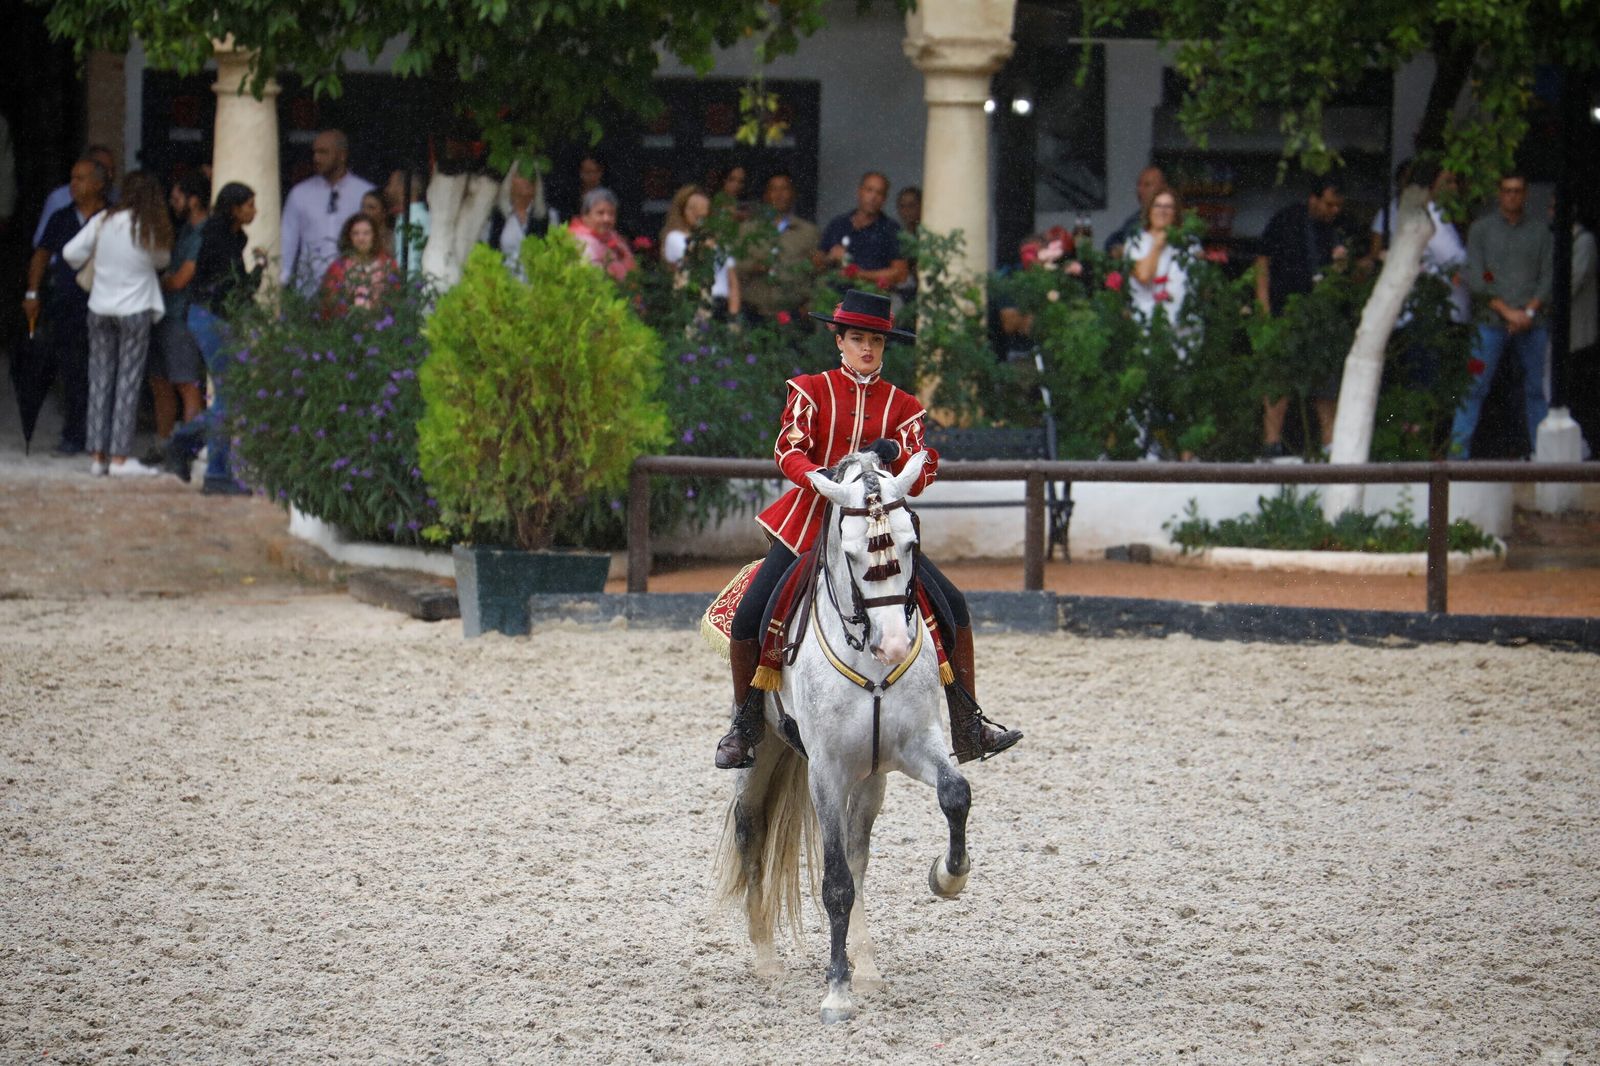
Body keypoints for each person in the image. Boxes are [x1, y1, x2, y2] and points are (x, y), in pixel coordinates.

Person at [713, 288, 1022, 770]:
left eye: (875, 342)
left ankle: (967, 721)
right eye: (857, 339)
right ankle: (744, 724)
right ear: (839, 341)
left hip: (880, 530)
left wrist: (905, 460)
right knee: (752, 614)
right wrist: (817, 477)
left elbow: (923, 474)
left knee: (954, 606)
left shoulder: (904, 405)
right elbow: (788, 450)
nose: (866, 349)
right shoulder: (810, 389)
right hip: (811, 522)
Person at [61, 170, 173, 477]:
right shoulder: (146, 225)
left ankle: (97, 457)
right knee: (127, 382)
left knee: (99, 379)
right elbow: (162, 261)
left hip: (99, 307)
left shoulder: (103, 220)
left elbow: (70, 253)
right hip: (135, 309)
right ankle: (120, 457)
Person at [167, 182, 267, 493]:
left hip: (218, 317)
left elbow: (240, 288)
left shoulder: (235, 238)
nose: (254, 211)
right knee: (229, 395)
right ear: (234, 208)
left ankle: (194, 451)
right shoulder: (216, 237)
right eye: (249, 205)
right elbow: (232, 287)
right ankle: (209, 466)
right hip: (211, 318)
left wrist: (259, 269)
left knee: (231, 395)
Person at [1448, 174, 1554, 458]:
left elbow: (1547, 277)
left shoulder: (1540, 233)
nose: (1512, 196)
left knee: (1536, 391)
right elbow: (1478, 275)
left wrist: (1528, 311)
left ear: (1526, 193)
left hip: (1532, 322)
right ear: (1499, 194)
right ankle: (1457, 460)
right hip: (1490, 321)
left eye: (1518, 191)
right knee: (1473, 388)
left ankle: (1544, 460)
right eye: (1507, 191)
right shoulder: (1482, 231)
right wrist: (1508, 311)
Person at [1256, 178, 1349, 457]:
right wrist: (1263, 308)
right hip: (1285, 315)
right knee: (1277, 385)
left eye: (1338, 206)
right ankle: (1271, 445)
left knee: (1326, 390)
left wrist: (1343, 266)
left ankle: (1329, 449)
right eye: (1329, 204)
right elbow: (1262, 261)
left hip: (1323, 319)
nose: (1334, 210)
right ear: (1313, 198)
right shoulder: (1286, 220)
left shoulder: (1341, 228)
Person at [24, 155, 109, 456]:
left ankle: (102, 436)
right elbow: (41, 255)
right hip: (69, 305)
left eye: (81, 178)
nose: (73, 184)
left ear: (99, 183)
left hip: (106, 304)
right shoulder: (61, 217)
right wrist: (33, 293)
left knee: (104, 372)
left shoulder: (112, 216)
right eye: (72, 178)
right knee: (72, 372)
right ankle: (74, 435)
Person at [149, 172, 210, 457]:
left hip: (183, 316)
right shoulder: (185, 229)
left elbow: (182, 278)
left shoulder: (204, 233)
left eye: (176, 198)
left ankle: (189, 448)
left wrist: (153, 282)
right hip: (166, 314)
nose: (172, 204)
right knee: (160, 381)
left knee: (186, 383)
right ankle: (164, 444)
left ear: (193, 200)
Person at [279, 129, 373, 291]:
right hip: (309, 289)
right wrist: (282, 281)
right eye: (314, 152)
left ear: (342, 155)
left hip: (354, 287)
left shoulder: (365, 193)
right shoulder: (300, 194)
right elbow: (287, 240)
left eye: (323, 152)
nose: (316, 158)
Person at [736, 170, 820, 322]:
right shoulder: (747, 230)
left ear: (793, 194)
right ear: (766, 195)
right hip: (753, 313)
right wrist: (753, 267)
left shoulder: (808, 232)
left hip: (794, 314)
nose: (779, 194)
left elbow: (819, 272)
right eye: (774, 189)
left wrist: (810, 307)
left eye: (784, 189)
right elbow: (733, 267)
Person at [660, 184, 739, 320]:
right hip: (696, 305)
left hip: (722, 305)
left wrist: (733, 316)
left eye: (703, 208)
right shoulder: (675, 237)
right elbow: (693, 259)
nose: (699, 213)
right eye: (692, 208)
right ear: (682, 210)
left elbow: (732, 282)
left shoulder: (720, 242)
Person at [818, 171, 908, 290]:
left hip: (870, 298)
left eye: (879, 193)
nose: (873, 197)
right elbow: (816, 263)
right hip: (834, 299)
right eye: (869, 190)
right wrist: (829, 258)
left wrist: (860, 274)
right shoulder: (839, 223)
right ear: (859, 191)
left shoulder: (891, 229)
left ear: (884, 199)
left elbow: (900, 274)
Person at [1126, 188, 1194, 327]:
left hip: (1184, 325)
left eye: (1168, 207)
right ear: (1149, 210)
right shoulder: (1135, 242)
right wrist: (1157, 246)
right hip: (1147, 323)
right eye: (1157, 205)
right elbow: (1143, 276)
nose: (1162, 211)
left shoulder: (1188, 243)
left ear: (1176, 213)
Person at [31, 144, 116, 249]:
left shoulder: (116, 204)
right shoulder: (59, 201)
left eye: (112, 170)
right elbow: (41, 245)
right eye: (105, 170)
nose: (110, 176)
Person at [320, 213, 399, 317]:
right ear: (349, 237)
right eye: (355, 234)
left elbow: (396, 299)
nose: (361, 238)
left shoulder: (388, 264)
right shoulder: (337, 268)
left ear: (374, 236)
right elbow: (328, 305)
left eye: (366, 233)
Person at [485, 167, 555, 278]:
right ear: (510, 181)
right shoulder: (496, 216)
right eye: (521, 175)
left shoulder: (548, 217)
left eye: (532, 176)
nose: (527, 180)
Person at [1567, 210, 1598, 451]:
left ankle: (1585, 444)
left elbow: (1572, 281)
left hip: (1578, 331)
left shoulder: (1584, 241)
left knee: (1578, 387)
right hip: (1566, 332)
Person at [567, 187, 636, 281]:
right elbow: (596, 278)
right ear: (585, 217)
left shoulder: (612, 236)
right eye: (600, 213)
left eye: (611, 213)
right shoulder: (581, 242)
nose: (606, 219)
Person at [1103, 164, 1166, 258]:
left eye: (1147, 185)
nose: (1140, 190)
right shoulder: (1134, 219)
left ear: (1161, 187)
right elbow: (1111, 242)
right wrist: (1118, 249)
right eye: (1139, 185)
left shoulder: (1174, 218)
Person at [383, 168, 431, 267]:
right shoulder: (408, 216)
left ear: (403, 187)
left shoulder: (415, 219)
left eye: (390, 184)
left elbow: (412, 261)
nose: (387, 190)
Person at [360, 190, 394, 255]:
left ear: (384, 213)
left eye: (371, 208)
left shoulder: (393, 239)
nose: (364, 212)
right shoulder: (357, 236)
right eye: (363, 207)